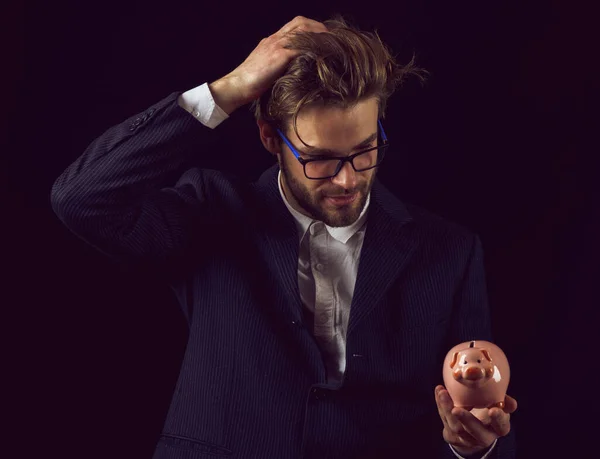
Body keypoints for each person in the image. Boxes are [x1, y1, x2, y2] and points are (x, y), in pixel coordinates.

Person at [51, 14, 517, 459]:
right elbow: (82, 197)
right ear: (270, 139)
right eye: (320, 159)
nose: (346, 181)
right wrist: (228, 91)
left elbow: (475, 409)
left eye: (364, 150)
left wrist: (471, 444)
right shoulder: (212, 213)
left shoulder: (450, 250)